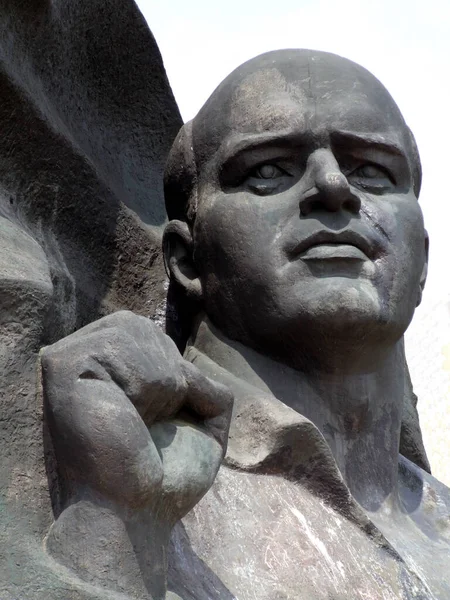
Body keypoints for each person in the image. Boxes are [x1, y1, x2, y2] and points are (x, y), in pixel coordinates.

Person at [41, 50, 449, 599]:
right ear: (187, 260)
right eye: (267, 170)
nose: (334, 187)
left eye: (373, 170)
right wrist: (110, 525)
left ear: (422, 261)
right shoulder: (113, 467)